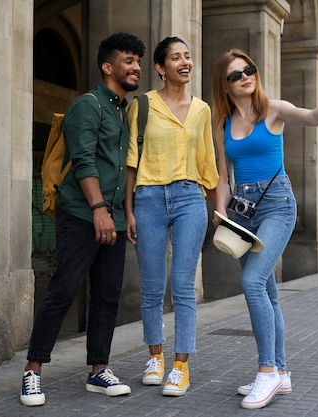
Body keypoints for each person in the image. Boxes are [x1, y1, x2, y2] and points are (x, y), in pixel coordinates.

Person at [210, 49, 318, 409]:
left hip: (276, 206)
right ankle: (282, 373)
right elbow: (224, 176)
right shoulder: (222, 123)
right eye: (236, 75)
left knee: (252, 283)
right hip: (241, 213)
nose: (245, 77)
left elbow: (315, 117)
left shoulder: (273, 109)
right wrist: (221, 211)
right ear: (224, 86)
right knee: (267, 295)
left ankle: (267, 371)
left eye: (249, 70)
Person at [20, 32, 146, 407]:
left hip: (115, 218)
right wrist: (99, 211)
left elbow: (125, 169)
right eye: (128, 60)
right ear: (108, 67)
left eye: (138, 60)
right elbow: (84, 160)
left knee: (107, 296)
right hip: (81, 214)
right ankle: (32, 370)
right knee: (63, 291)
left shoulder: (125, 112)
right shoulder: (87, 106)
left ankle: (98, 370)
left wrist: (125, 213)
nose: (136, 66)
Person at [125, 36, 219, 397]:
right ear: (161, 68)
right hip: (147, 198)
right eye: (176, 58)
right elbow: (131, 161)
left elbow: (207, 162)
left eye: (188, 57)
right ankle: (154, 357)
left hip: (189, 199)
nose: (185, 63)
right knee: (151, 286)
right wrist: (129, 211)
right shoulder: (143, 106)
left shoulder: (202, 110)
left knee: (182, 286)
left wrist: (218, 208)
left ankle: (181, 366)